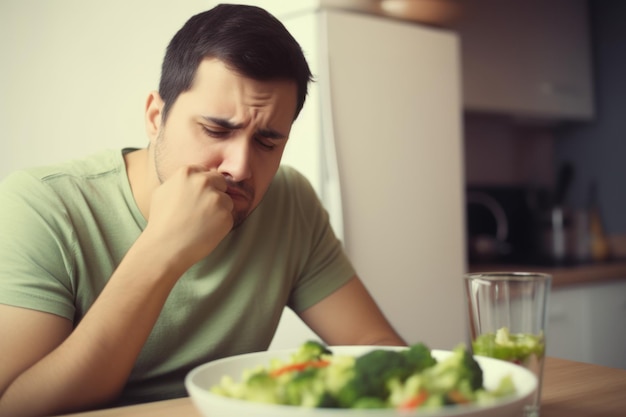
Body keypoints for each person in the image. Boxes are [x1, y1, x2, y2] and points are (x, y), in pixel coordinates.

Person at [0, 4, 405, 416]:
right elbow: (16, 406)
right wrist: (162, 247)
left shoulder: (290, 200)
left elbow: (379, 349)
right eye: (216, 130)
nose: (240, 167)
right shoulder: (41, 206)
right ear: (156, 117)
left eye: (267, 142)